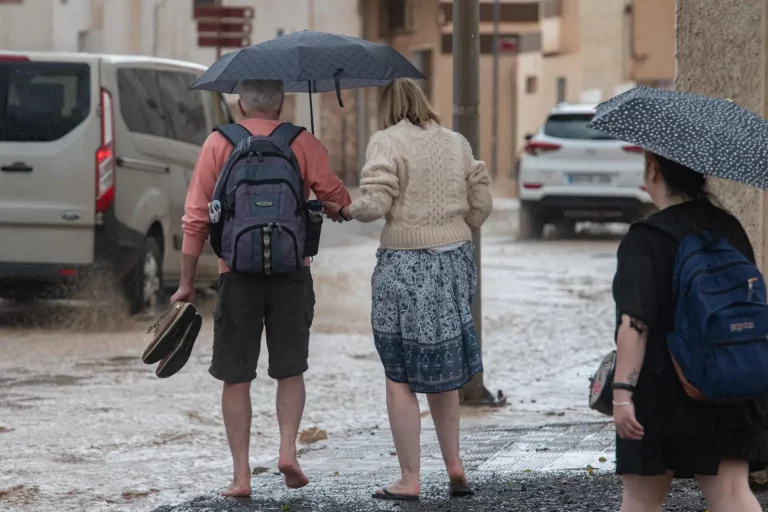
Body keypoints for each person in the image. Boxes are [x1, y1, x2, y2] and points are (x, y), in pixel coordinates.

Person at [171, 79, 351, 497]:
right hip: (292, 273)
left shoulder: (219, 143)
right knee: (290, 369)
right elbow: (338, 198)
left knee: (236, 377)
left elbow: (196, 217)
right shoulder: (301, 140)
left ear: (239, 104)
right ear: (282, 103)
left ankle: (241, 476)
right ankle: (288, 451)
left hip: (237, 274)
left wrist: (185, 285)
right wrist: (327, 199)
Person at [323, 78, 493, 501]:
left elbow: (376, 204)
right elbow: (481, 207)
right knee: (446, 368)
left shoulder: (386, 141)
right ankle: (455, 467)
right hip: (455, 263)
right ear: (424, 101)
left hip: (406, 266)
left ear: (386, 106)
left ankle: (409, 478)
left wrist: (345, 209)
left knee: (399, 374)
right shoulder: (457, 142)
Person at [611, 151, 767, 512]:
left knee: (642, 499)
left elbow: (635, 323)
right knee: (731, 494)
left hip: (660, 388)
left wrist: (622, 394)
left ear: (654, 169)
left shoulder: (646, 237)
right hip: (728, 377)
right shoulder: (729, 227)